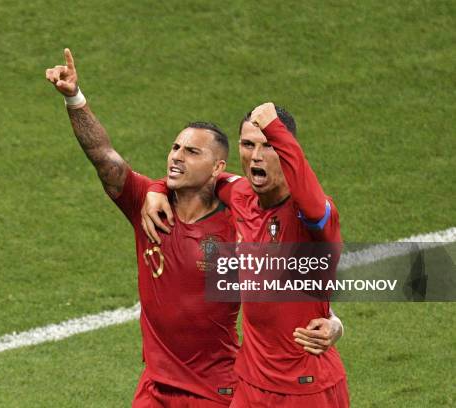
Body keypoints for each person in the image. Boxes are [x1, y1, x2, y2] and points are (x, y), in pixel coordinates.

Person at [46, 49, 344, 407]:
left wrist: (334, 322)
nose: (177, 156)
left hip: (218, 389)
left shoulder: (238, 214)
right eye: (175, 148)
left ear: (217, 167)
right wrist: (74, 99)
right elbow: (105, 160)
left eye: (191, 152)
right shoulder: (151, 207)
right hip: (158, 385)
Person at [142, 103, 349, 407]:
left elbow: (311, 200)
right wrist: (157, 188)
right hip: (251, 386)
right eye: (248, 144)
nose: (256, 156)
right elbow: (201, 177)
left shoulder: (313, 219)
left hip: (307, 388)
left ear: (287, 151)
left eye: (269, 146)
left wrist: (278, 130)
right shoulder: (240, 196)